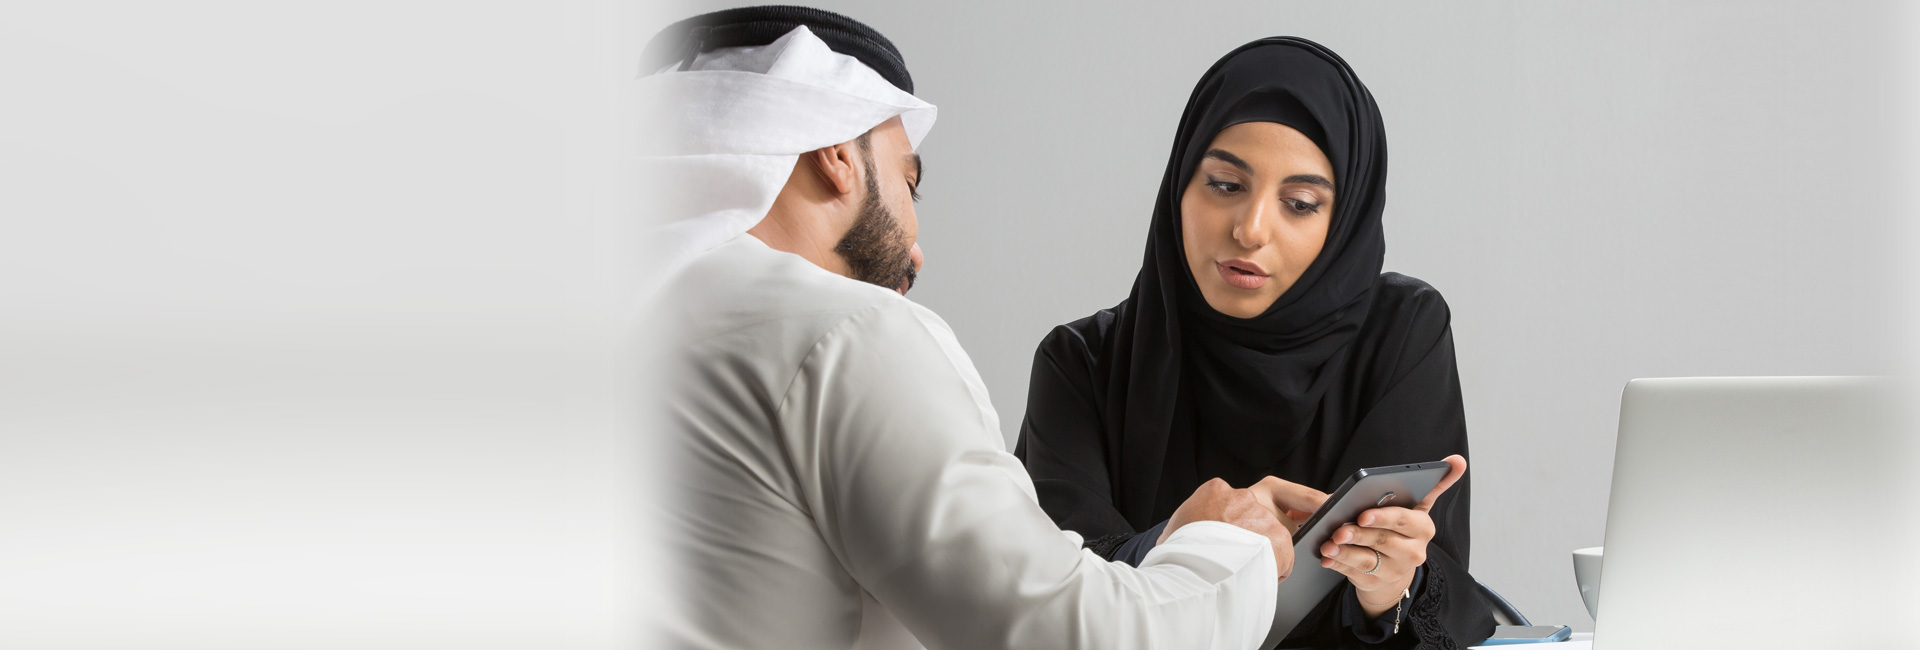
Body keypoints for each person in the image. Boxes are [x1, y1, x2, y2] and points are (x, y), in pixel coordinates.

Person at [644, 7, 1325, 649]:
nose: (915, 252)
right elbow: (1071, 634)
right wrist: (1227, 545)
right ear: (837, 154)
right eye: (907, 183)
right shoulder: (843, 335)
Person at [1015, 36, 1498, 648]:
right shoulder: (1081, 365)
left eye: (1299, 203)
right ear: (1179, 186)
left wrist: (1389, 587)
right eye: (1224, 185)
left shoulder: (1400, 335)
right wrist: (1180, 540)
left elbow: (1438, 588)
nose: (1250, 229)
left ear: (1344, 221)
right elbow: (1041, 592)